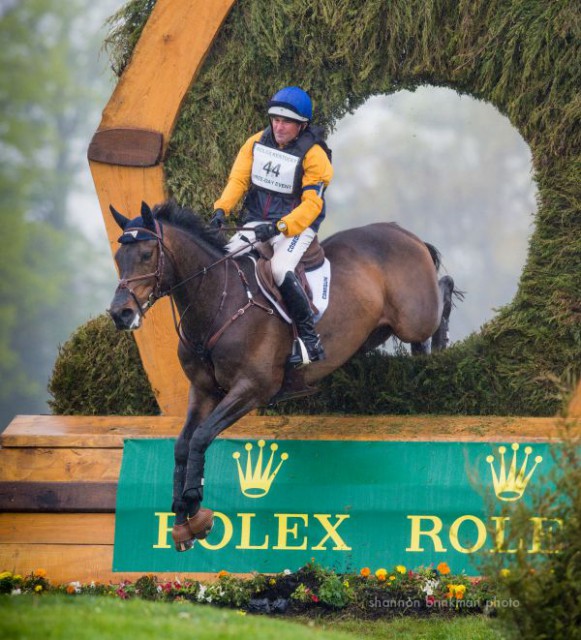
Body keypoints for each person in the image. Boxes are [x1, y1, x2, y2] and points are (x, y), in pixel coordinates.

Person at [210, 86, 333, 367]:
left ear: (302, 125)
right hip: (256, 221)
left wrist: (281, 226)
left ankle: (309, 340)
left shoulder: (315, 156)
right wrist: (221, 209)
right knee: (226, 260)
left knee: (279, 268)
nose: (278, 126)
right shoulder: (255, 142)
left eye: (286, 121)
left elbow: (311, 205)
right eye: (275, 119)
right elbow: (238, 181)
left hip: (296, 227)